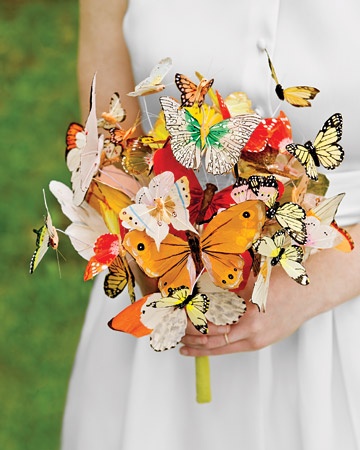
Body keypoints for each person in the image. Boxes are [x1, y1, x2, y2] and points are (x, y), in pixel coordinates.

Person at [61, 0, 360, 449]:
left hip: (340, 300)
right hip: (163, 267)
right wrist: (141, 236)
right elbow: (109, 110)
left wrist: (313, 286)